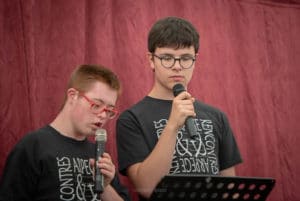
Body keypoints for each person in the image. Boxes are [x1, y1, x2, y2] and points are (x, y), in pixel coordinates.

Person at [116, 16, 243, 200]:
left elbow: (229, 186)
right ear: (151, 59)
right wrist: (172, 125)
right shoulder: (131, 119)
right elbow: (146, 188)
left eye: (185, 58)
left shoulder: (217, 116)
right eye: (167, 58)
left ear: (195, 60)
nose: (177, 67)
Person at [0, 64, 131, 201]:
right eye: (96, 105)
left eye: (109, 110)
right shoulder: (33, 146)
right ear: (73, 96)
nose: (103, 116)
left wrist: (105, 187)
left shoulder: (100, 155)